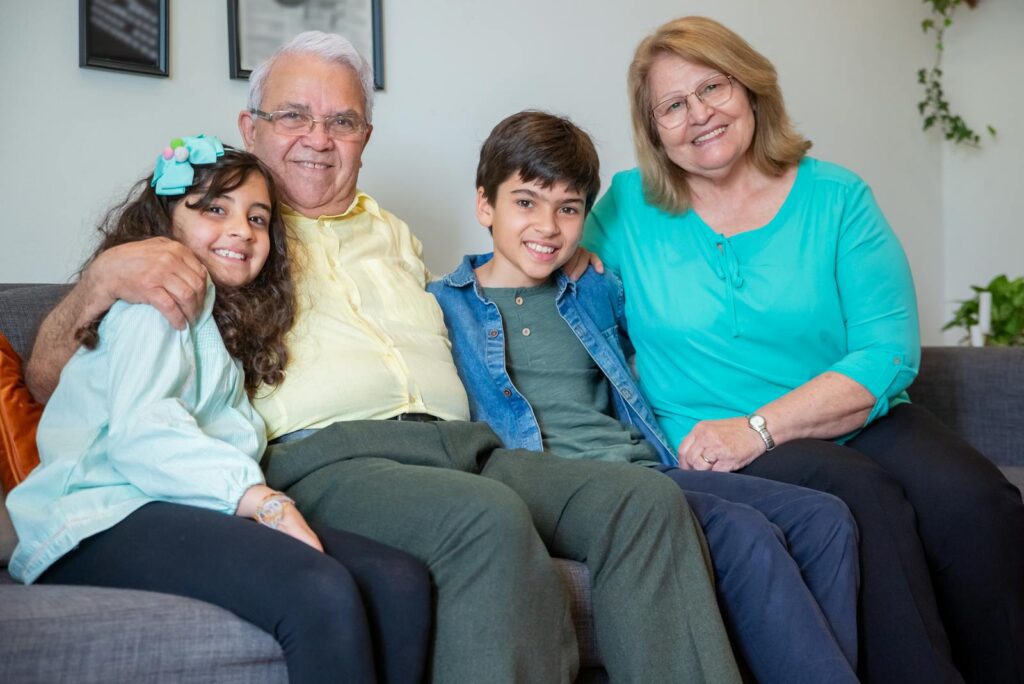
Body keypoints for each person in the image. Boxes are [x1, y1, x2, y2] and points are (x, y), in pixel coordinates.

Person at [23, 33, 740, 683]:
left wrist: (575, 261)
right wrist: (98, 282)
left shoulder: (393, 233)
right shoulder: (224, 236)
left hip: (465, 445)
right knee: (483, 520)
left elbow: (522, 261)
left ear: (365, 136)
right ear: (250, 129)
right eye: (293, 116)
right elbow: (65, 381)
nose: (318, 138)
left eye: (341, 121)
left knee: (645, 501)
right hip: (329, 459)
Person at [582, 15, 1024, 684]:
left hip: (848, 416)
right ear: (654, 132)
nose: (698, 114)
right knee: (863, 503)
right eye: (672, 105)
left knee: (978, 502)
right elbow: (548, 268)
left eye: (713, 87)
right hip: (710, 437)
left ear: (752, 88)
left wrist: (761, 428)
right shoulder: (627, 209)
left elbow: (888, 352)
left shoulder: (836, 197)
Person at [429, 109, 860, 684]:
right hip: (559, 485)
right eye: (526, 202)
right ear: (485, 205)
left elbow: (683, 336)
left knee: (823, 518)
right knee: (742, 532)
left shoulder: (596, 287)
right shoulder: (441, 306)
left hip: (646, 467)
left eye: (569, 208)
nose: (548, 227)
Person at [6, 137, 431, 684]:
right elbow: (142, 434)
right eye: (214, 209)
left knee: (399, 579)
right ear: (166, 221)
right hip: (98, 517)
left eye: (258, 218)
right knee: (316, 588)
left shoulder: (221, 327)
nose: (241, 230)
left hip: (183, 507)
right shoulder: (153, 303)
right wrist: (261, 499)